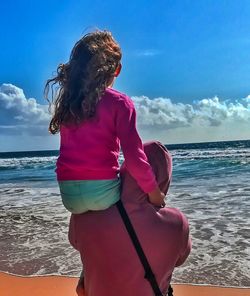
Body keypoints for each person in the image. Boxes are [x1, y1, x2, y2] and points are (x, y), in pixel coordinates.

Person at [44, 30, 165, 214]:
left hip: (68, 196)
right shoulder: (120, 102)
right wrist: (154, 193)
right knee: (152, 153)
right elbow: (134, 158)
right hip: (103, 195)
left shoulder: (70, 101)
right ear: (117, 69)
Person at [69, 141, 191, 296]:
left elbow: (75, 242)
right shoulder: (177, 223)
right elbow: (180, 259)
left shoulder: (84, 213)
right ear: (164, 179)